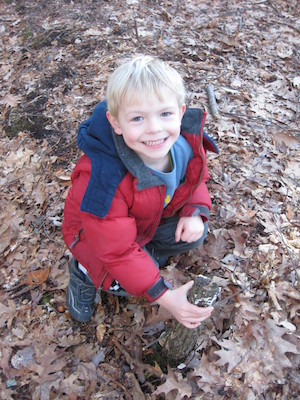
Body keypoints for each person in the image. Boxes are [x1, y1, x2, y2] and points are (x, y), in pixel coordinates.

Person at [62, 55, 218, 329]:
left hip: (145, 220)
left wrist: (194, 211)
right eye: (137, 118)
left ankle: (146, 254)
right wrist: (165, 296)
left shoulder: (181, 147)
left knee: (196, 232)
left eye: (165, 114)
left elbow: (195, 182)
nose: (154, 128)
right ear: (116, 123)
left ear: (181, 113)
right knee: (123, 279)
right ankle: (82, 274)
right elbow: (116, 249)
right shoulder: (103, 178)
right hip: (96, 237)